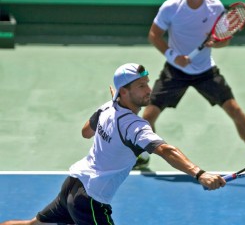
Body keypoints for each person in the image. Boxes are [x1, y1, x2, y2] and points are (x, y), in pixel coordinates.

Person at [0, 63, 225, 225]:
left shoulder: (106, 108)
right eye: (140, 86)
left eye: (147, 83)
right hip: (90, 200)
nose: (148, 90)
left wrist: (111, 105)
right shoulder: (135, 126)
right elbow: (165, 150)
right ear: (124, 91)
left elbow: (85, 132)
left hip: (73, 185)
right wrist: (199, 173)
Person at [141, 0, 245, 172]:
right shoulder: (171, 7)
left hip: (205, 70)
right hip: (175, 71)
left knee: (235, 110)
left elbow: (224, 40)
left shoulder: (215, 6)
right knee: (147, 117)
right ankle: (142, 157)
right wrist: (173, 56)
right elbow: (154, 35)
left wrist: (215, 43)